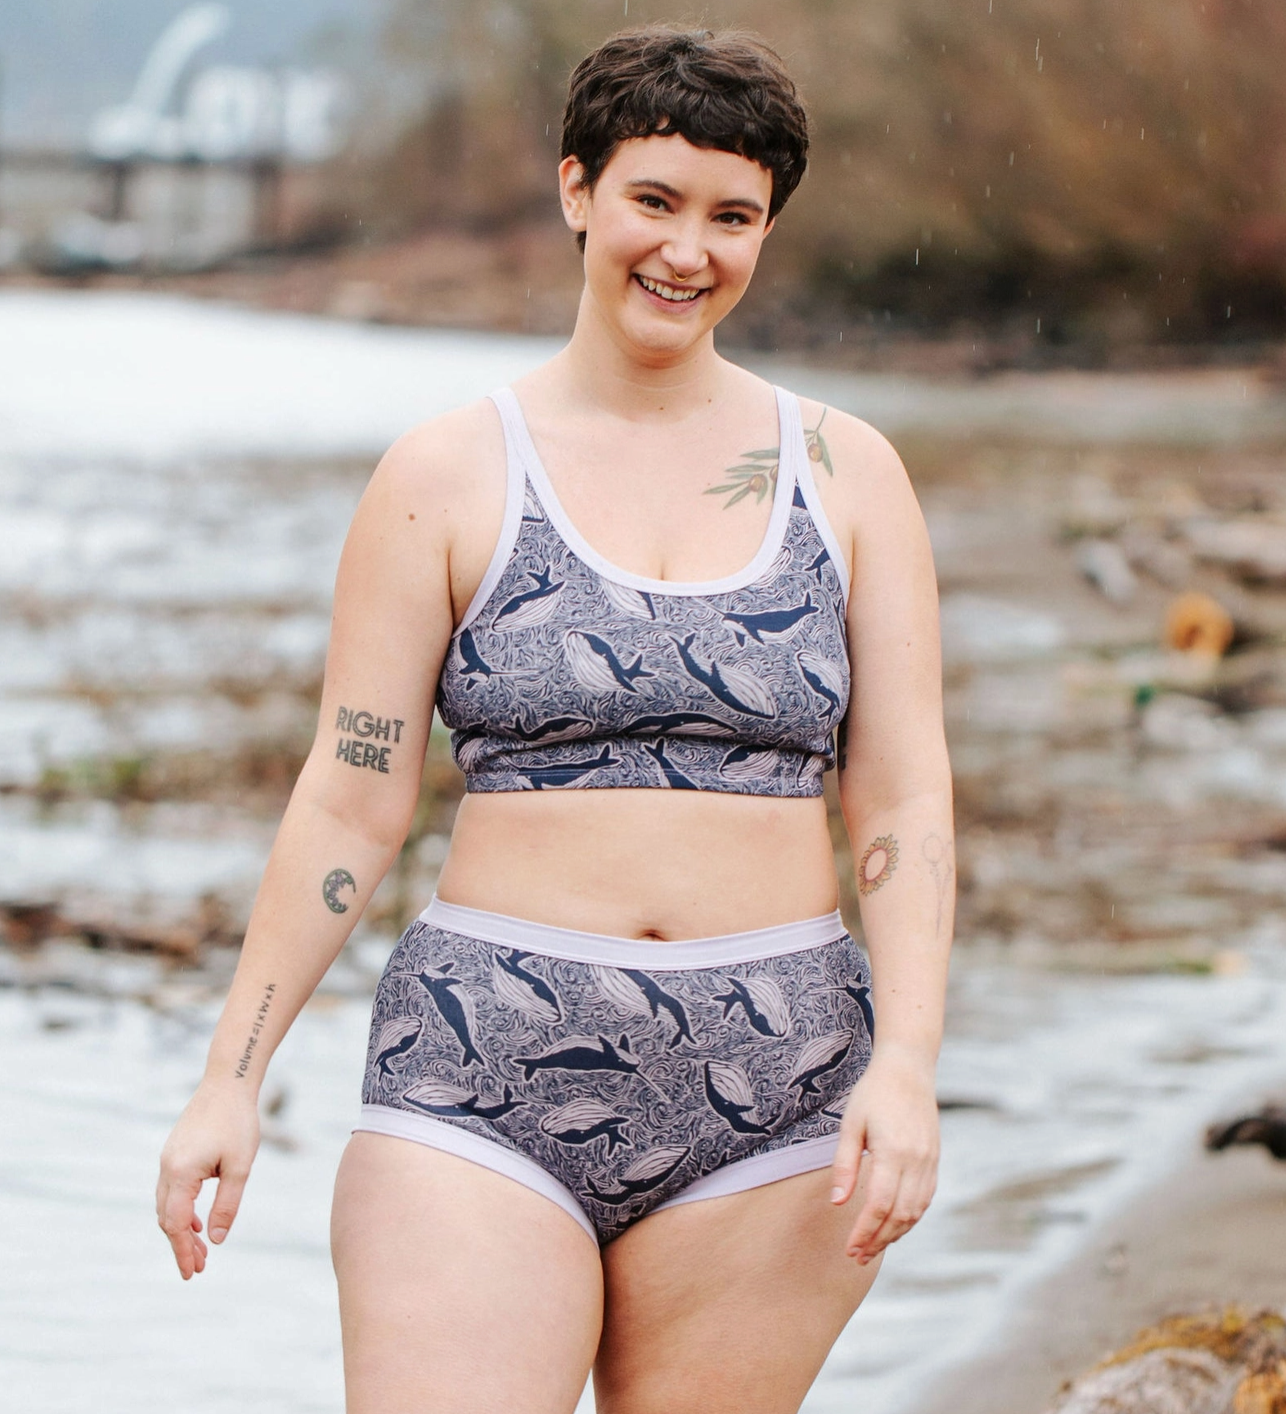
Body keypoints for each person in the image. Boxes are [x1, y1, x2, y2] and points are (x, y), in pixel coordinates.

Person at [156, 23, 953, 1414]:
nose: (686, 251)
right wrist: (231, 1078)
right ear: (577, 187)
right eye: (655, 199)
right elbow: (349, 796)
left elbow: (900, 797)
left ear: (768, 228)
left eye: (732, 216)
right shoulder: (445, 474)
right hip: (480, 1065)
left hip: (783, 1090)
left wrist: (909, 1066)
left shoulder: (847, 472)